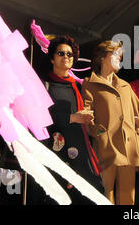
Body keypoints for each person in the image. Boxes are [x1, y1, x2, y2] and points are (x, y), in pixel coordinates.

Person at [81, 40, 139, 205]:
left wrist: (138, 141)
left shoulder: (125, 86)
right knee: (105, 199)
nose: (120, 58)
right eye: (115, 54)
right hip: (105, 152)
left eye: (120, 55)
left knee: (128, 201)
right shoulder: (89, 84)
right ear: (102, 58)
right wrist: (101, 135)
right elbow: (87, 118)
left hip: (129, 153)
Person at [41, 35, 103, 204]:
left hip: (83, 150)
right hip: (57, 151)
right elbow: (40, 117)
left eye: (69, 54)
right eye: (61, 53)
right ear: (52, 58)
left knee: (92, 194)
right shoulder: (44, 84)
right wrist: (73, 117)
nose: (66, 57)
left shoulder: (79, 86)